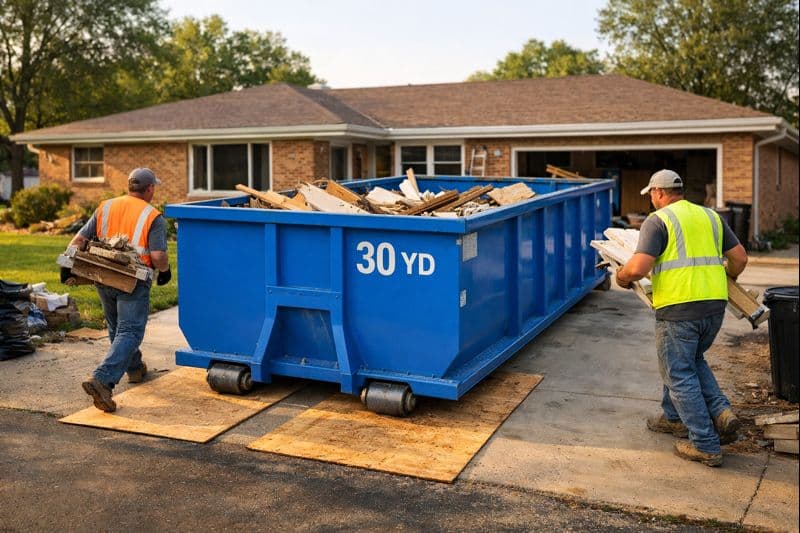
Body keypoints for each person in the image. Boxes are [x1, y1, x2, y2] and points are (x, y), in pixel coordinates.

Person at [615, 169, 748, 467]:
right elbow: (739, 258)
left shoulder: (658, 221)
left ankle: (705, 444)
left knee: (679, 374)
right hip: (714, 307)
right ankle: (708, 414)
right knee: (690, 361)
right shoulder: (711, 216)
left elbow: (637, 268)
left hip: (679, 310)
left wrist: (621, 277)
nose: (651, 199)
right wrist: (728, 278)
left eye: (651, 193)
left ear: (660, 193)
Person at [64, 168, 172, 413]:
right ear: (150, 188)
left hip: (103, 275)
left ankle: (134, 368)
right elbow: (157, 255)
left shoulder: (106, 207)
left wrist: (68, 262)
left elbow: (79, 240)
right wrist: (164, 271)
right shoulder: (152, 216)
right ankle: (103, 379)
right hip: (132, 280)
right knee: (130, 330)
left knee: (117, 328)